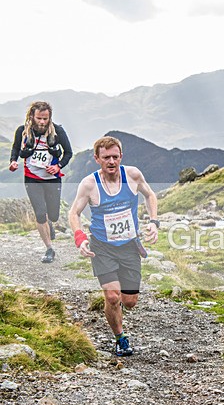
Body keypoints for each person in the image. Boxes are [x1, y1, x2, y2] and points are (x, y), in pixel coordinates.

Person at [68, 136, 159, 356]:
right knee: (112, 296)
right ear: (97, 158)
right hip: (102, 247)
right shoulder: (89, 185)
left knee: (130, 301)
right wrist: (80, 238)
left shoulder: (133, 175)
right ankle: (120, 338)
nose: (111, 161)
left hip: (129, 245)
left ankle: (118, 305)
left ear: (121, 157)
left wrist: (154, 222)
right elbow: (74, 213)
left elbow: (150, 195)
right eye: (106, 157)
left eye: (115, 157)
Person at [9, 101, 73, 263]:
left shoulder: (58, 131)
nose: (43, 122)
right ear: (32, 116)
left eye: (46, 118)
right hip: (32, 179)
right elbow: (16, 148)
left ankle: (49, 223)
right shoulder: (22, 131)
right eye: (39, 118)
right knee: (39, 213)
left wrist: (58, 166)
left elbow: (68, 153)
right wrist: (13, 161)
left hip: (52, 179)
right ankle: (49, 249)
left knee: (53, 214)